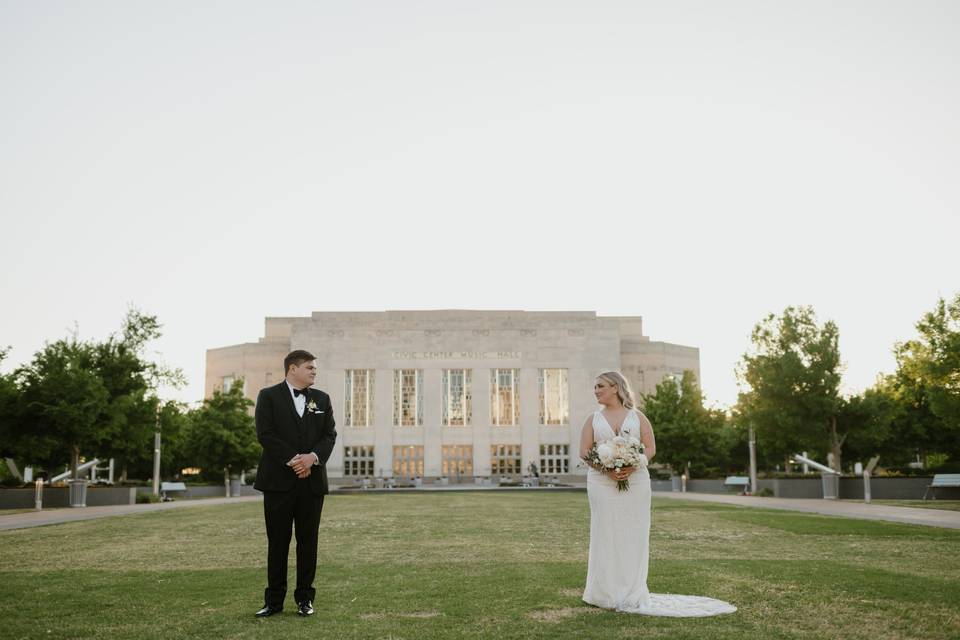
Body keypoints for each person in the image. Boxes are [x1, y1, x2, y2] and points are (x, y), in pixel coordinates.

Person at [580, 371, 736, 617]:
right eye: (595, 386)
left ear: (615, 387)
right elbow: (585, 451)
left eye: (600, 386)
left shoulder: (638, 417)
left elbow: (650, 448)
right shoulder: (592, 419)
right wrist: (607, 471)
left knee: (634, 534)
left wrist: (632, 464)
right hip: (601, 483)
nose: (596, 390)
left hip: (637, 481)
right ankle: (603, 593)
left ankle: (632, 591)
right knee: (605, 532)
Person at [253, 350, 338, 618]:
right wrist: (294, 461)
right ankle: (274, 601)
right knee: (277, 542)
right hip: (278, 482)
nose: (314, 371)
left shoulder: (322, 399)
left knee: (308, 542)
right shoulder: (268, 396)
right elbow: (265, 434)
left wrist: (312, 458)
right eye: (309, 367)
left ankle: (305, 599)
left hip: (311, 484)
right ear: (292, 369)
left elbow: (329, 435)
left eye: (315, 368)